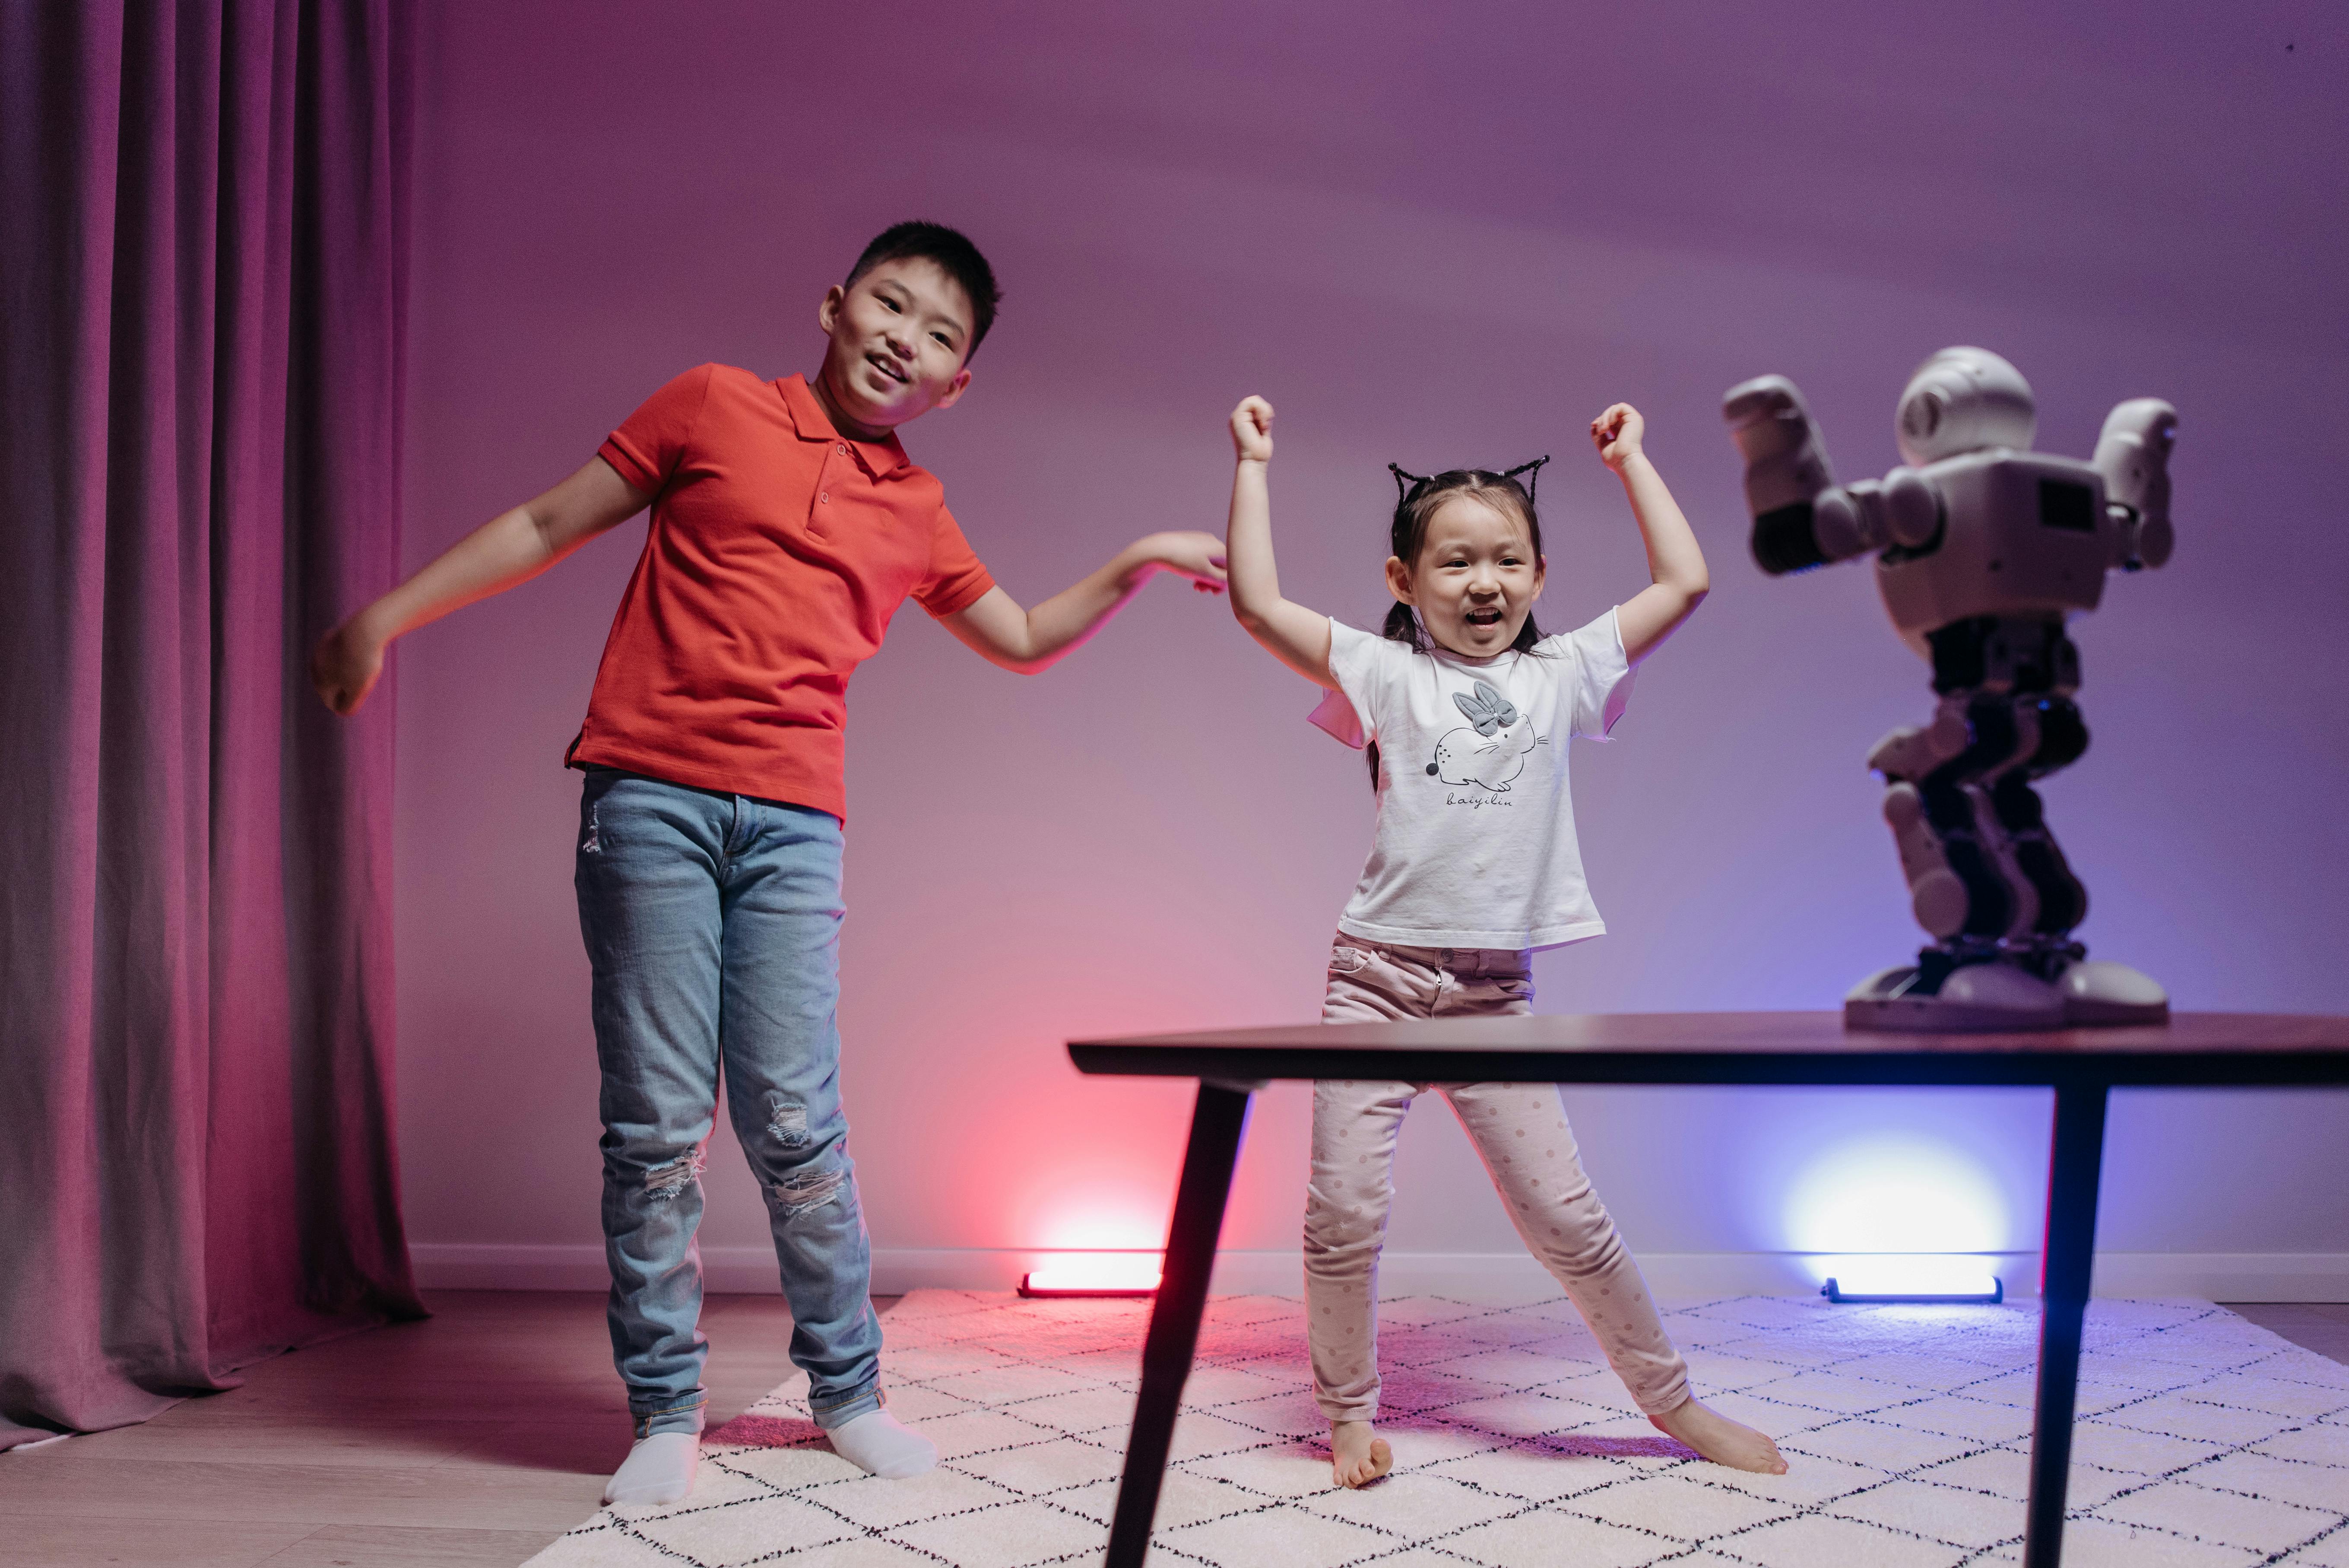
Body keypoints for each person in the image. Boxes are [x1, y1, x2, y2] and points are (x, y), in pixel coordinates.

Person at [311, 222, 1227, 1506]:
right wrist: (385, 619)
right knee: (657, 1130)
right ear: (836, 304)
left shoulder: (917, 509)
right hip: (650, 804)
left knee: (798, 1124)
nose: (904, 338)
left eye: (940, 334)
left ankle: (846, 1395)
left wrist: (1132, 564)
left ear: (957, 386)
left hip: (795, 828)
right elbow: (544, 520)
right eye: (891, 306)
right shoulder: (712, 406)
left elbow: (1015, 635)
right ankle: (665, 1414)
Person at [1220, 393, 1786, 1488]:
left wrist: (1633, 464)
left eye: (1508, 562)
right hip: (1374, 984)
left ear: (1536, 578)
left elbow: (1687, 584)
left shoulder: (1558, 674)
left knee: (1567, 1220)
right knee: (1342, 1213)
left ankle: (1673, 1403)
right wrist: (1251, 464)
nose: (1483, 583)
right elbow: (1254, 606)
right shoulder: (1386, 673)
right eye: (1454, 564)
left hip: (1489, 998)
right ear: (1402, 582)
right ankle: (1346, 1417)